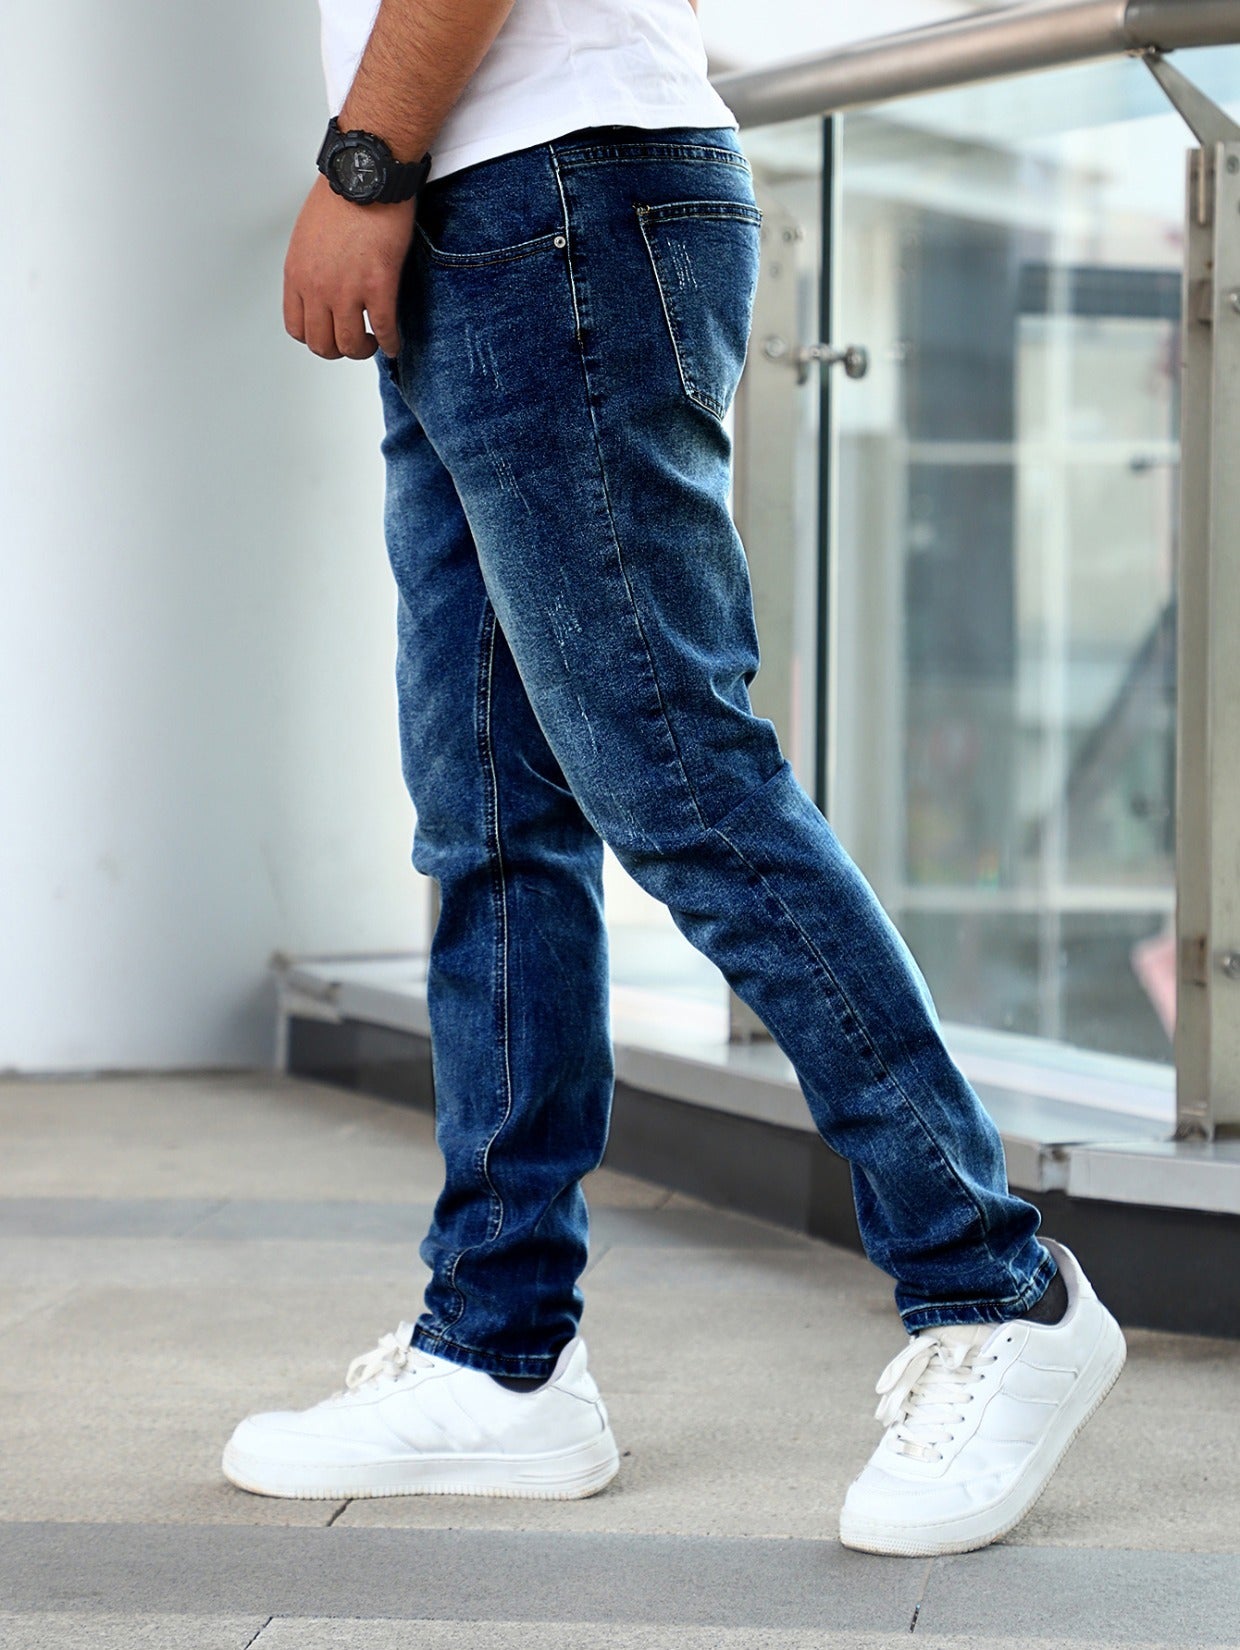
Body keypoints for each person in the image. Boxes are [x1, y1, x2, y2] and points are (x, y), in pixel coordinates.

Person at [222, 0, 1126, 1556]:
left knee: (681, 783)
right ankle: (500, 1355)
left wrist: (364, 161)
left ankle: (997, 1281)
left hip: (550, 191)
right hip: (488, 202)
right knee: (493, 816)